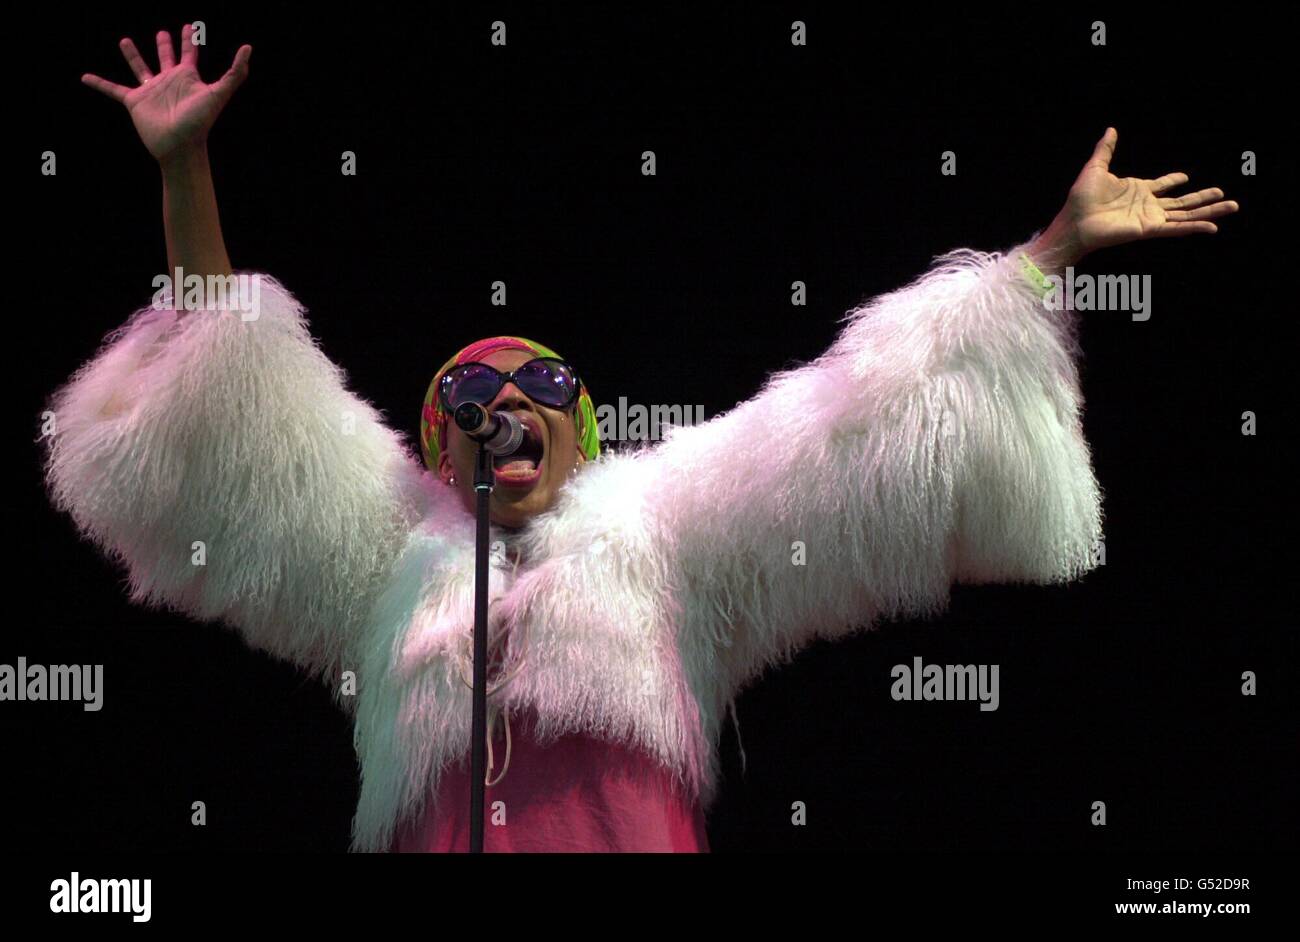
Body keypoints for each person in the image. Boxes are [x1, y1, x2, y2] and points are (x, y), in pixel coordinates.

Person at [45, 25, 1239, 852]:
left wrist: (1045, 256)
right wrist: (185, 167)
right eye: (466, 397)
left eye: (534, 388)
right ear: (434, 446)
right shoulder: (380, 557)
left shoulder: (669, 526)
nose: (498, 407)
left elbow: (851, 419)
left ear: (587, 432)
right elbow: (243, 404)